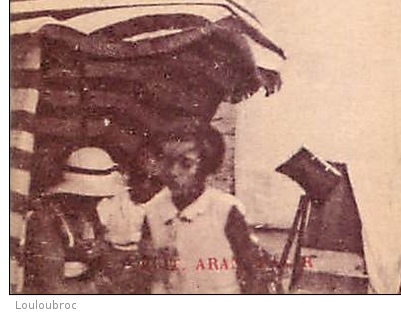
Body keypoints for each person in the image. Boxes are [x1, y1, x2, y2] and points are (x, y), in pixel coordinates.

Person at [141, 124, 274, 293]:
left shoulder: (224, 209)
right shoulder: (153, 210)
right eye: (167, 162)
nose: (174, 172)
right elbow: (148, 270)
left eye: (186, 164)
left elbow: (252, 270)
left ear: (206, 166)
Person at [23, 146, 130, 294]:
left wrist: (102, 250)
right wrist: (96, 287)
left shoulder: (87, 214)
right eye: (92, 198)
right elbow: (53, 290)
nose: (98, 202)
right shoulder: (44, 220)